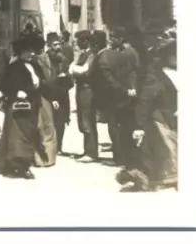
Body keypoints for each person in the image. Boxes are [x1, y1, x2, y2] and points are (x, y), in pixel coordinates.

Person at [118, 37, 177, 191]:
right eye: (174, 55)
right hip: (162, 122)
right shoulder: (157, 76)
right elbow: (145, 101)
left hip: (177, 120)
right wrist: (139, 126)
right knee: (167, 153)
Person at [0, 33, 47, 180]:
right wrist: (16, 92)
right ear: (21, 52)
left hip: (32, 105)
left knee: (29, 134)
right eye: (28, 51)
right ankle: (21, 167)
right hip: (18, 108)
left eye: (33, 51)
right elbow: (4, 85)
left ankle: (22, 163)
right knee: (17, 136)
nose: (31, 54)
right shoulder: (13, 68)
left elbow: (42, 82)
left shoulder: (36, 66)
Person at [96, 27, 139, 167]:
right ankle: (125, 157)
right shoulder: (121, 53)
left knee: (116, 127)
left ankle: (120, 157)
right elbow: (131, 73)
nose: (111, 40)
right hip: (124, 95)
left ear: (121, 39)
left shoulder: (123, 54)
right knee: (123, 127)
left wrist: (127, 89)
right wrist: (130, 88)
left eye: (114, 37)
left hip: (117, 96)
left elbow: (113, 79)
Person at [70, 30, 98, 162]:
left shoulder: (92, 55)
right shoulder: (83, 54)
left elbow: (83, 71)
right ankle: (87, 150)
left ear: (86, 41)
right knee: (82, 118)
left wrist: (73, 68)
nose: (77, 44)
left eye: (79, 41)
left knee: (87, 119)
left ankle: (91, 153)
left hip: (87, 90)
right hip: (81, 89)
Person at [32, 33, 59, 167]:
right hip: (43, 96)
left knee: (42, 126)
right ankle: (45, 158)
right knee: (45, 126)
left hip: (43, 95)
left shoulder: (46, 59)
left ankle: (44, 158)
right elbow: (44, 81)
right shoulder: (39, 60)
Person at [45, 32, 73, 154]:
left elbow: (70, 79)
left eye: (59, 44)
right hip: (50, 94)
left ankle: (59, 147)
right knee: (50, 121)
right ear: (49, 45)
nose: (58, 47)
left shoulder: (63, 59)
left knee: (61, 122)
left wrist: (66, 76)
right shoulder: (45, 58)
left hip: (63, 94)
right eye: (55, 45)